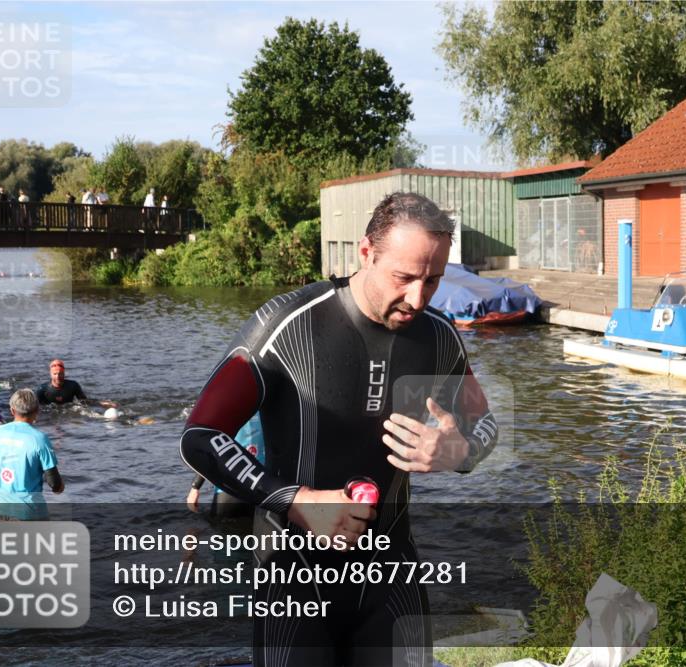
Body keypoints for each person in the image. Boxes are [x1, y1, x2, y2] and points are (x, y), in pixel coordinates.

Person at [180, 191, 498, 666]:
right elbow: (201, 436)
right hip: (294, 577)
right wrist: (298, 500)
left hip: (391, 575)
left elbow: (486, 425)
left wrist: (459, 452)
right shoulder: (287, 324)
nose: (417, 298)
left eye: (432, 281)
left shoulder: (438, 337)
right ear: (365, 253)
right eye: (404, 277)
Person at [0, 389, 64, 519]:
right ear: (37, 410)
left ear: (12, 411)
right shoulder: (40, 439)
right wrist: (59, 487)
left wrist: (6, 472)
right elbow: (54, 483)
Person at [35, 358, 116, 407]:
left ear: (64, 373)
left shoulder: (73, 386)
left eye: (60, 374)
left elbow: (84, 402)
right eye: (55, 374)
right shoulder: (42, 389)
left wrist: (102, 404)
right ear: (50, 374)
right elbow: (33, 407)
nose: (57, 376)